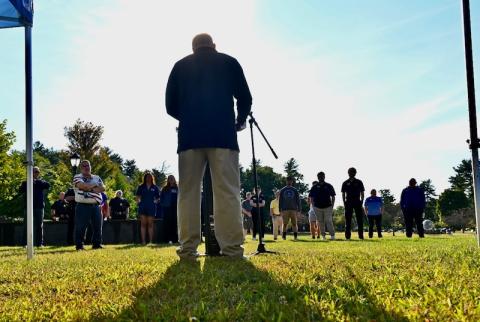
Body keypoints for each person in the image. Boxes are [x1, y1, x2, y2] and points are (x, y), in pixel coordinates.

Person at [166, 33, 252, 259]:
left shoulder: (180, 66)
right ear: (214, 45)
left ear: (193, 48)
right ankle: (232, 249)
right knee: (228, 192)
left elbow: (169, 105)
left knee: (188, 194)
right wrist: (239, 120)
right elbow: (245, 97)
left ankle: (188, 249)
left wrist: (188, 117)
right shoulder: (229, 62)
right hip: (223, 134)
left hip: (190, 138)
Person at [73, 160, 105, 250]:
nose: (86, 167)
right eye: (84, 166)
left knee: (98, 226)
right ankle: (79, 246)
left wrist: (88, 188)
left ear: (90, 167)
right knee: (81, 226)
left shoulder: (97, 177)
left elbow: (103, 188)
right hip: (83, 205)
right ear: (81, 168)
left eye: (88, 165)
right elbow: (82, 186)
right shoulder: (77, 177)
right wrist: (94, 185)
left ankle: (97, 244)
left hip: (96, 206)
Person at [19, 166, 50, 247]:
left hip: (39, 207)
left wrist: (37, 181)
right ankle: (24, 243)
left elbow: (48, 185)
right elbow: (20, 190)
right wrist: (29, 182)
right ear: (30, 172)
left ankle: (39, 244)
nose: (36, 173)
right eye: (34, 171)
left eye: (37, 172)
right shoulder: (25, 182)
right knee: (26, 225)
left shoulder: (40, 182)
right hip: (28, 207)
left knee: (39, 226)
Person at [309, 173, 336, 240]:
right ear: (318, 177)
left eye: (322, 176)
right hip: (317, 207)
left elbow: (333, 196)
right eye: (319, 176)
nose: (321, 177)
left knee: (328, 221)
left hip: (328, 207)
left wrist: (332, 206)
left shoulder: (329, 185)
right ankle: (323, 236)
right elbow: (311, 197)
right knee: (320, 222)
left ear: (324, 177)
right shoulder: (314, 187)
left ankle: (332, 235)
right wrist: (313, 206)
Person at [136, 172, 160, 245]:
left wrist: (155, 201)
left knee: (150, 224)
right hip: (142, 207)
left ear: (152, 178)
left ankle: (150, 242)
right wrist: (139, 202)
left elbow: (158, 197)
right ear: (145, 178)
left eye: (150, 177)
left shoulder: (155, 187)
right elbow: (137, 196)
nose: (148, 178)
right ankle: (143, 241)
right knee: (143, 224)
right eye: (147, 177)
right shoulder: (141, 187)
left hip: (151, 207)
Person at [341, 167, 365, 240]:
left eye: (353, 172)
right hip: (348, 202)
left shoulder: (359, 182)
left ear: (355, 173)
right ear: (348, 173)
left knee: (359, 220)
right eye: (350, 172)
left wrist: (361, 201)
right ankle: (347, 237)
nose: (351, 173)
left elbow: (362, 193)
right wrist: (344, 203)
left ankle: (361, 236)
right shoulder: (345, 182)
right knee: (348, 220)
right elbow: (343, 194)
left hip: (357, 201)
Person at [161, 175, 179, 244]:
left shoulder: (177, 188)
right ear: (168, 180)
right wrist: (164, 205)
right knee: (167, 224)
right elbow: (161, 198)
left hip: (175, 208)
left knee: (174, 224)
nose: (171, 180)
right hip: (167, 209)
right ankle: (166, 240)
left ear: (174, 179)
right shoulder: (165, 188)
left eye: (172, 178)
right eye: (170, 178)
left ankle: (175, 239)